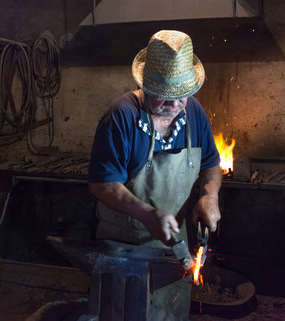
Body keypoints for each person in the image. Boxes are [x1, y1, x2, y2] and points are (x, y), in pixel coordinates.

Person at [87, 30, 222, 319]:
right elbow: (103, 185)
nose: (174, 105)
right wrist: (148, 214)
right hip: (125, 247)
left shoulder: (193, 112)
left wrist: (209, 196)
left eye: (182, 96)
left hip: (175, 249)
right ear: (146, 85)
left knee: (168, 313)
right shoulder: (122, 115)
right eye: (164, 97)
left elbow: (211, 161)